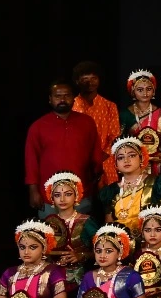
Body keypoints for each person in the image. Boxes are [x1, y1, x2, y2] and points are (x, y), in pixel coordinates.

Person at [25, 79, 103, 211]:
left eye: (67, 95)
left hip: (82, 194)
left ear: (73, 98)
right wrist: (33, 191)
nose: (62, 99)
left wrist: (98, 184)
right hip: (49, 197)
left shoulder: (87, 122)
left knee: (81, 231)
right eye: (58, 96)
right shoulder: (38, 126)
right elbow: (31, 161)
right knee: (51, 231)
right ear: (50, 99)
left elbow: (95, 155)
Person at [71, 61, 121, 186]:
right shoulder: (72, 105)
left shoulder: (110, 106)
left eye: (93, 78)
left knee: (108, 200)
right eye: (85, 79)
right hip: (78, 161)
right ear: (77, 81)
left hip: (105, 160)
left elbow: (114, 135)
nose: (90, 82)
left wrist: (103, 155)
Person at [120, 69, 161, 175]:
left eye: (148, 89)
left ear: (153, 91)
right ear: (133, 92)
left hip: (158, 164)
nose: (145, 93)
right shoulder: (125, 114)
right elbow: (121, 141)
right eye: (140, 90)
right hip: (134, 163)